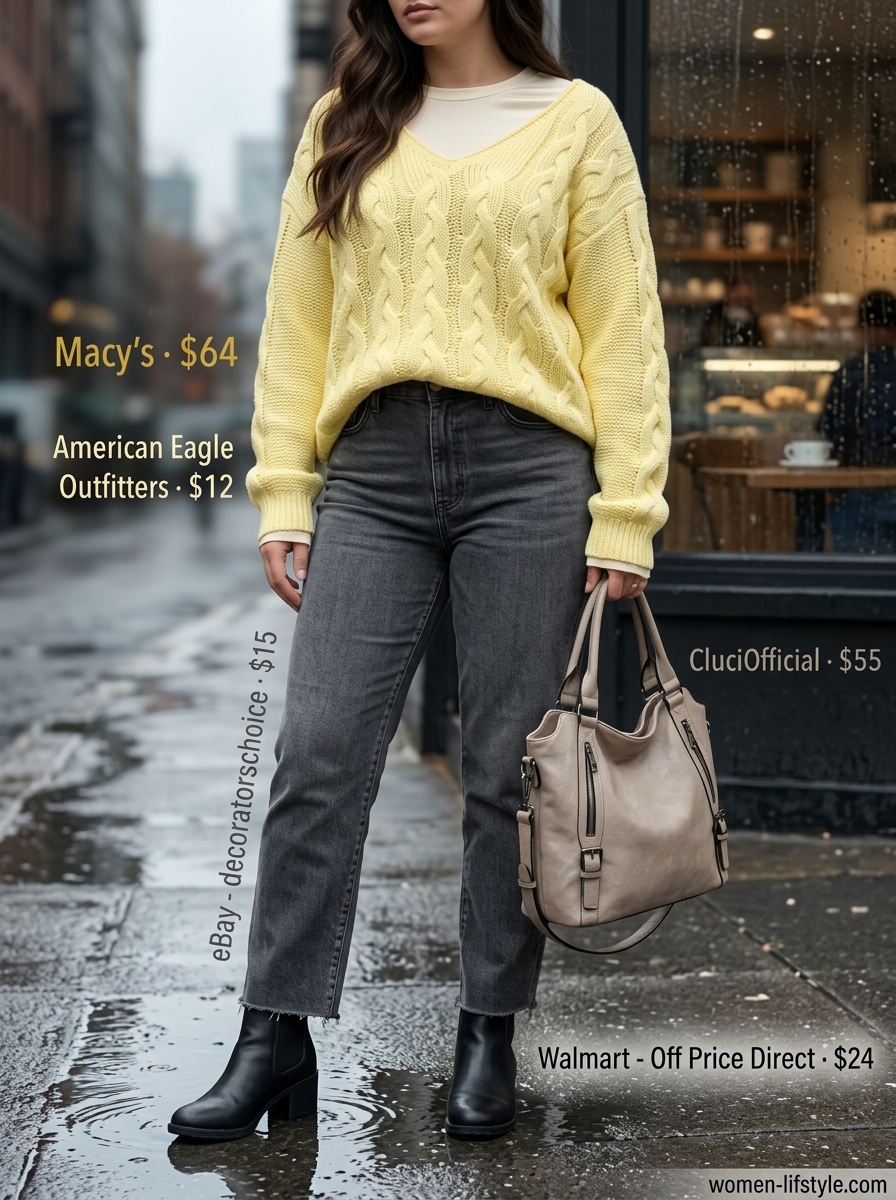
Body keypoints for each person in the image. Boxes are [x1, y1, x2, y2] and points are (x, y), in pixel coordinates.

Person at [169, 0, 669, 1143]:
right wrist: (283, 491)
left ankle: (488, 1027)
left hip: (529, 473)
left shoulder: (575, 120)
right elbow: (296, 320)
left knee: (505, 769)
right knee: (316, 755)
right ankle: (272, 1032)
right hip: (376, 469)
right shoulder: (345, 121)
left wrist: (625, 513)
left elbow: (622, 329)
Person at [821, 290, 896, 553]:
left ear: (863, 328)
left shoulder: (849, 374)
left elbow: (828, 431)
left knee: (858, 580)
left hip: (855, 493)